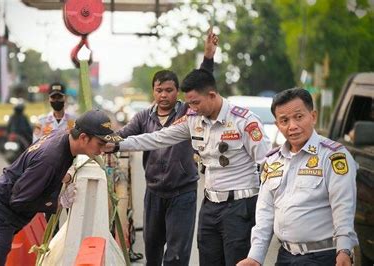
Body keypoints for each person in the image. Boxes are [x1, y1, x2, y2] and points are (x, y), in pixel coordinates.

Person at [106, 69, 271, 265]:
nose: (191, 107)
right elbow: (158, 138)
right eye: (189, 103)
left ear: (211, 95)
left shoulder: (244, 122)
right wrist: (117, 145)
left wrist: (267, 211)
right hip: (210, 206)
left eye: (195, 102)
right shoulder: (193, 119)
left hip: (240, 207)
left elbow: (268, 165)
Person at [116, 30, 218, 266]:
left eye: (169, 90)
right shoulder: (143, 117)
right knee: (152, 251)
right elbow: (122, 136)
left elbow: (202, 82)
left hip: (182, 193)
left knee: (175, 255)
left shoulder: (188, 113)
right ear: (153, 91)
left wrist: (208, 57)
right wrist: (101, 138)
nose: (163, 95)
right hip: (154, 192)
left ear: (177, 92)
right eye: (159, 90)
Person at [0, 110, 121, 266]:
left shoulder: (62, 138)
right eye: (100, 143)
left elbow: (40, 171)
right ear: (83, 137)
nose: (102, 149)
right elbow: (19, 201)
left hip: (5, 209)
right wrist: (57, 202)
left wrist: (64, 177)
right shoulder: (50, 159)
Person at [237, 88, 358, 266]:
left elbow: (343, 207)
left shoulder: (333, 156)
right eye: (284, 120)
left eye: (299, 117)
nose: (292, 126)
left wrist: (344, 249)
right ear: (277, 125)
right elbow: (265, 212)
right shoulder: (273, 160)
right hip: (285, 256)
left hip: (323, 257)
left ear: (313, 116)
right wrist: (255, 256)